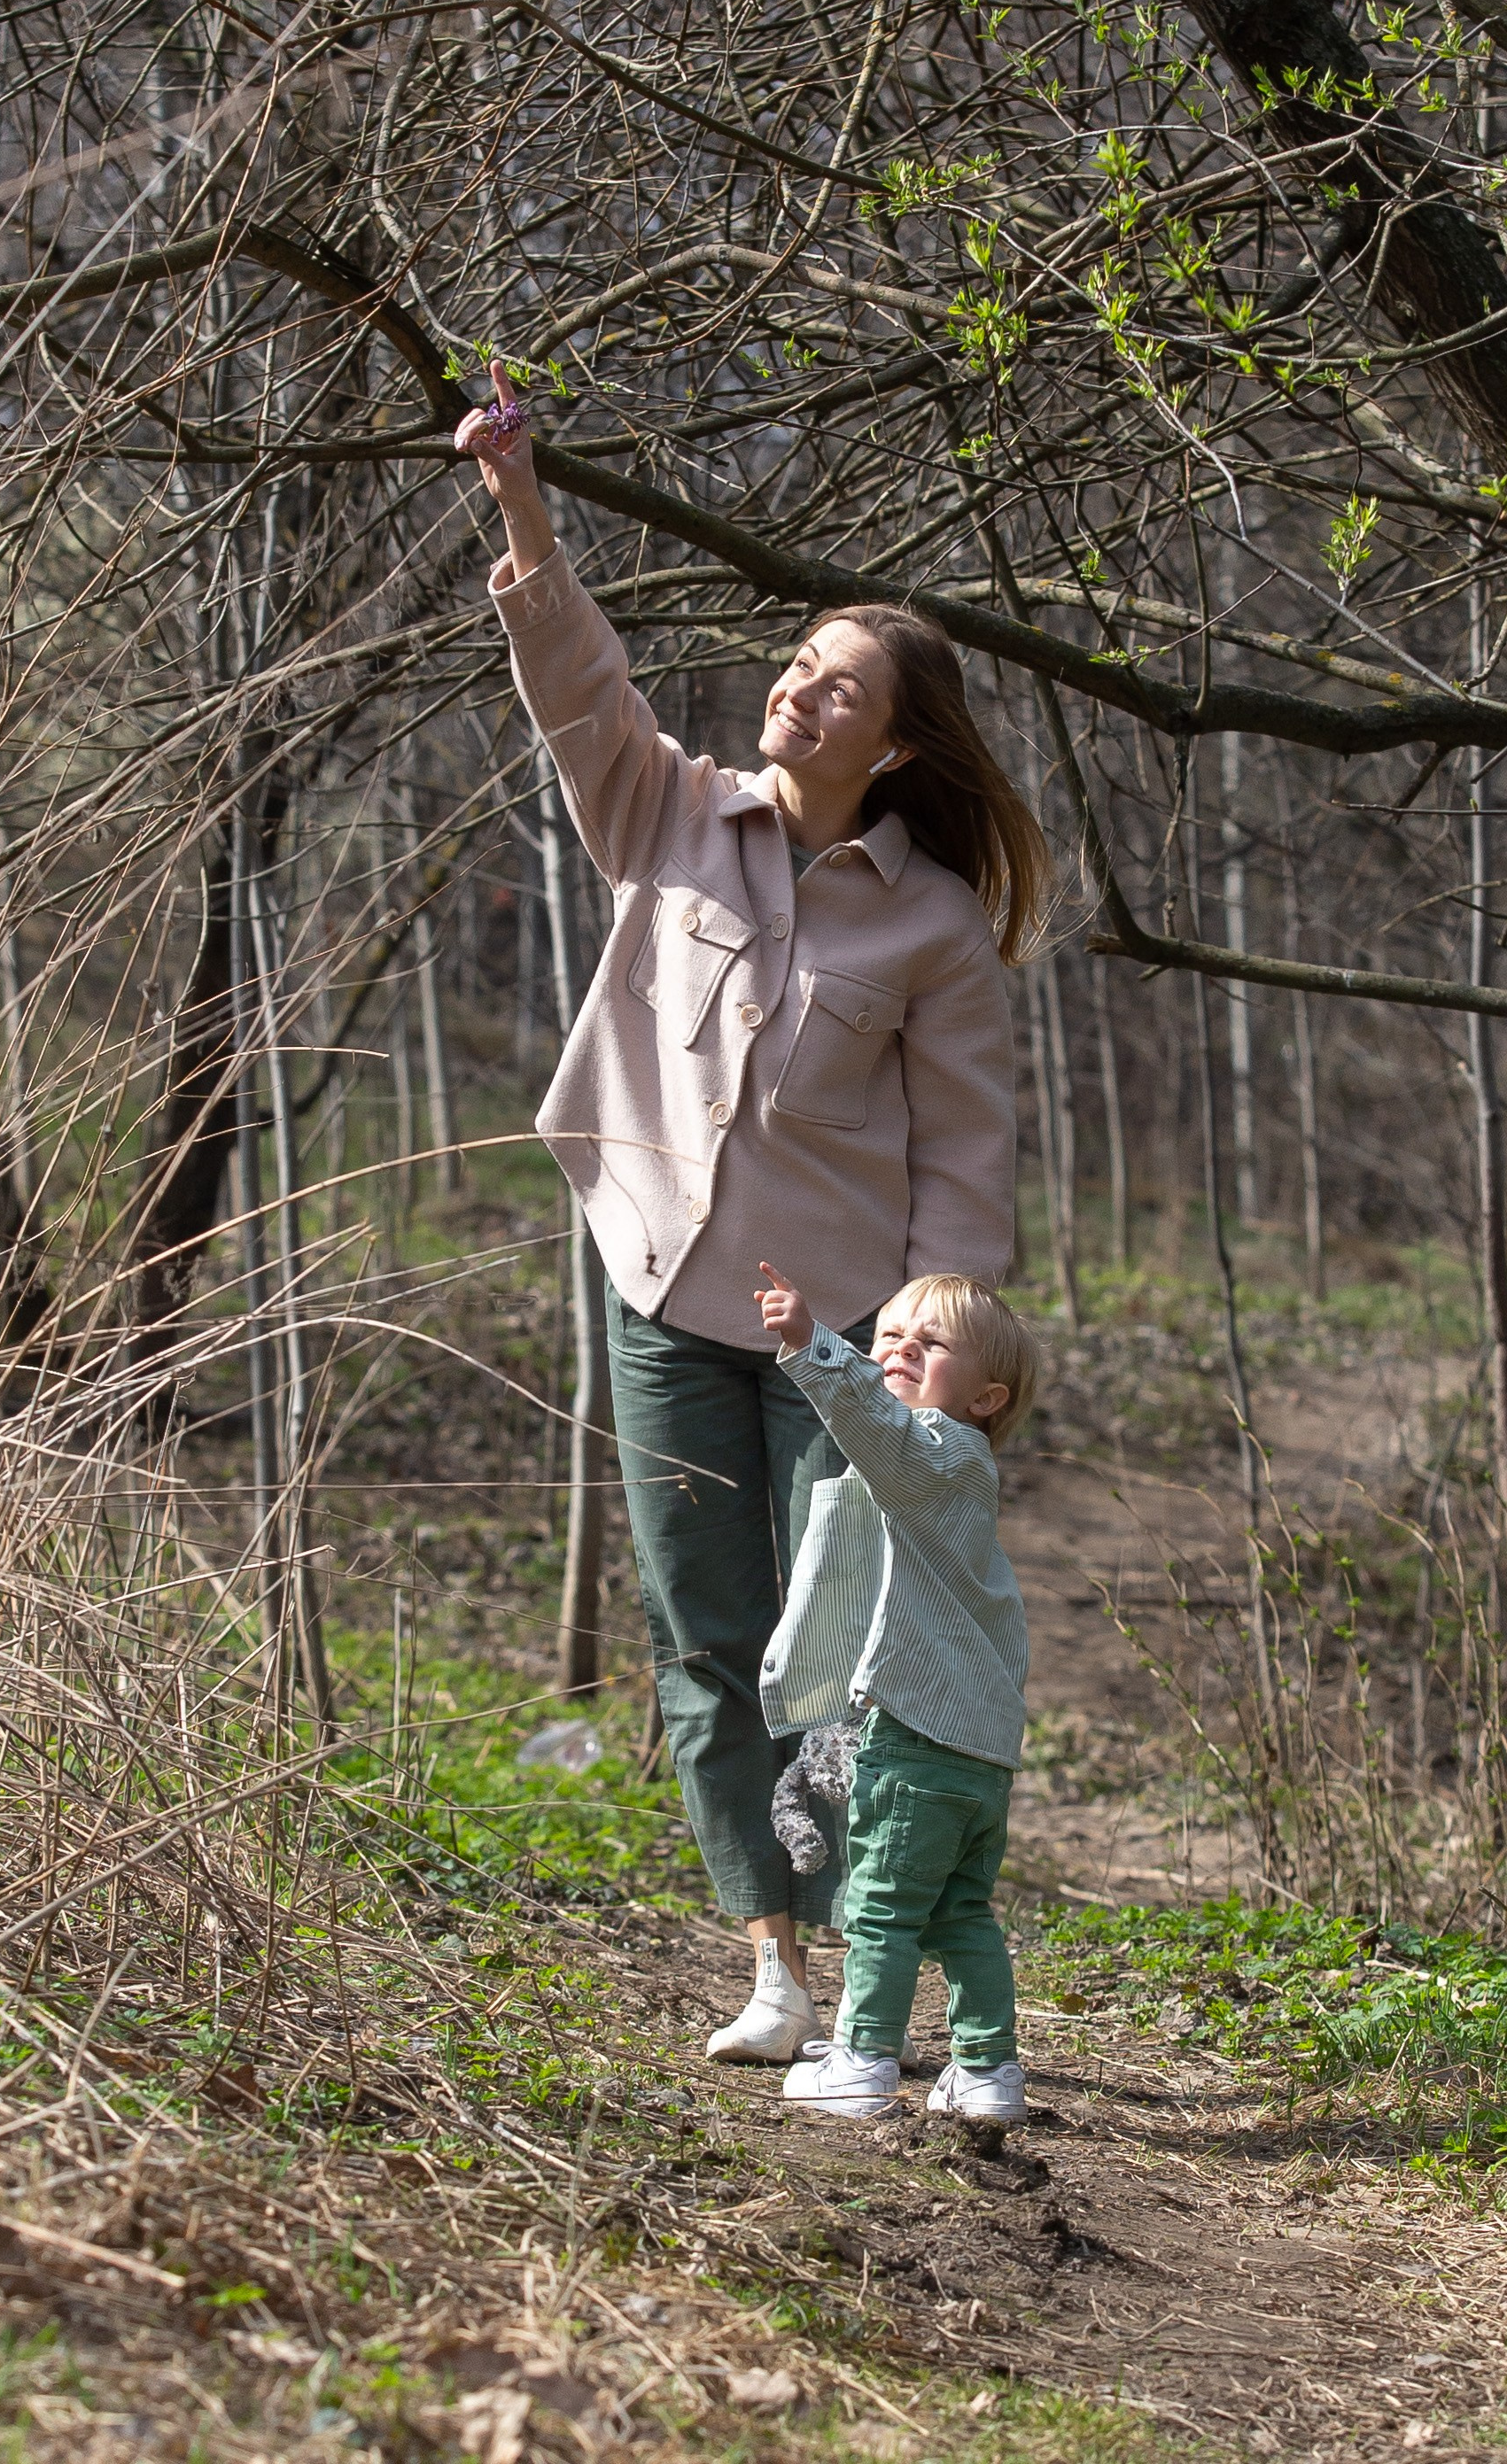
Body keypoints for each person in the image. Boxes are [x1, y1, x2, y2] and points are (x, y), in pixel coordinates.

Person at [454, 360, 1046, 2061]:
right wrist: (520, 500)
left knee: (841, 1646)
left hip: (839, 1336)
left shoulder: (932, 926)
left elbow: (966, 1149)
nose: (795, 693)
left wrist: (938, 1341)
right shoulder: (670, 814)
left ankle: (875, 1955)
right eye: (794, 668)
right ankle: (772, 1964)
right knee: (703, 1639)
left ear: (898, 738)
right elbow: (578, 684)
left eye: (834, 684)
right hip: (659, 1293)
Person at [755, 1263, 1037, 2123]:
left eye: (931, 1340)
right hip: (979, 1749)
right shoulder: (951, 1471)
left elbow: (876, 1425)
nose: (900, 1346)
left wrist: (814, 1347)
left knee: (875, 1904)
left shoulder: (940, 1452)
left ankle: (865, 2058)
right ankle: (987, 2072)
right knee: (958, 1909)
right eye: (888, 1333)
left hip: (914, 1736)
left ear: (986, 1396)